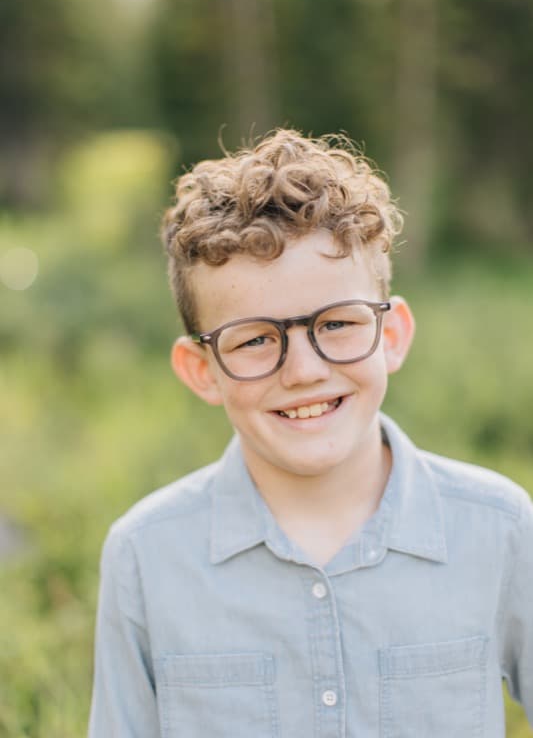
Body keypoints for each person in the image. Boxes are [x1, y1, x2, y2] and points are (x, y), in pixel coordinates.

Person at [88, 129, 533, 737]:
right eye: (253, 339)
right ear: (202, 371)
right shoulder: (145, 555)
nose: (303, 371)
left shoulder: (500, 528)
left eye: (338, 323)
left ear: (393, 335)